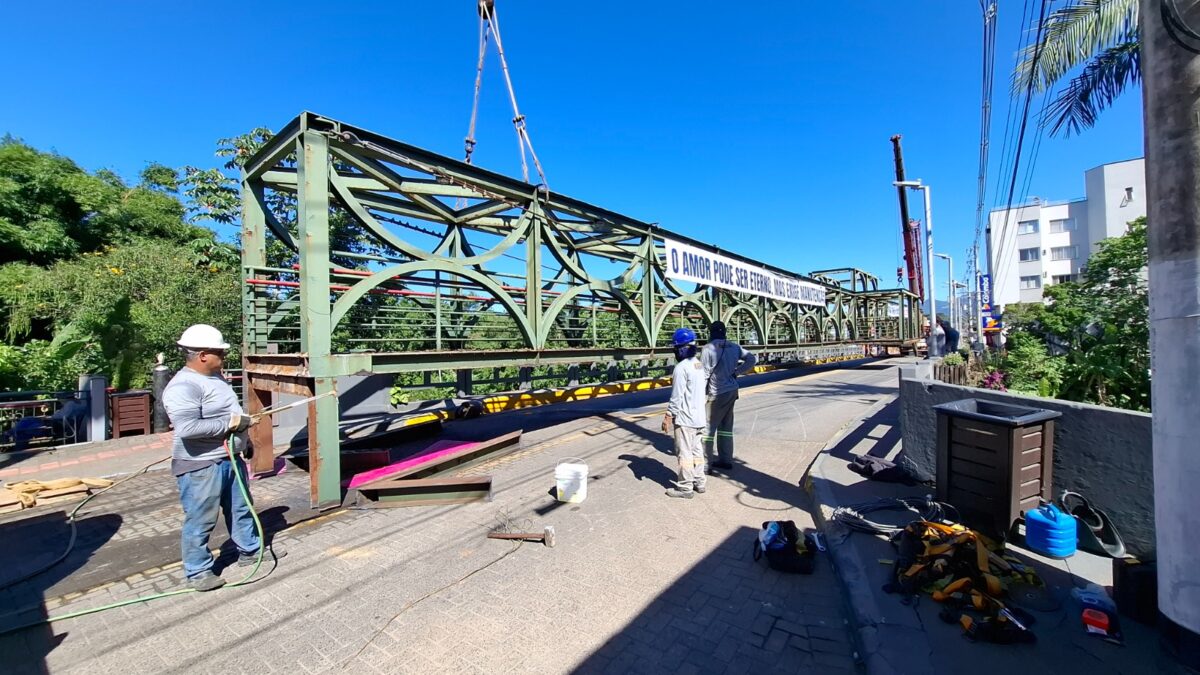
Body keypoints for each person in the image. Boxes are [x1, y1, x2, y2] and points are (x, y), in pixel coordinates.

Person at [163, 324, 283, 591]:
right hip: (201, 466)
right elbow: (188, 429)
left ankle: (250, 550)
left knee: (241, 508)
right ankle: (198, 571)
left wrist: (246, 442)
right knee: (201, 518)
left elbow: (232, 415)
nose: (224, 356)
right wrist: (233, 423)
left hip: (230, 459)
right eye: (220, 352)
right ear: (203, 354)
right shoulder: (183, 386)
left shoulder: (215, 378)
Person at [701, 321, 757, 472]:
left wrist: (700, 396)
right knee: (726, 427)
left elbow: (705, 374)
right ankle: (726, 460)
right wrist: (737, 372)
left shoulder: (708, 348)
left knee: (707, 429)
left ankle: (705, 464)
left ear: (711, 332)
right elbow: (752, 359)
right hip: (732, 391)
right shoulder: (734, 346)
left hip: (717, 393)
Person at [661, 328, 707, 499]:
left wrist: (668, 416)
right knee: (697, 452)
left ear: (681, 348)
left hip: (686, 419)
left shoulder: (681, 368)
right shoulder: (699, 364)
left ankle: (685, 488)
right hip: (699, 418)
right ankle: (700, 482)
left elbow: (677, 396)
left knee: (685, 453)